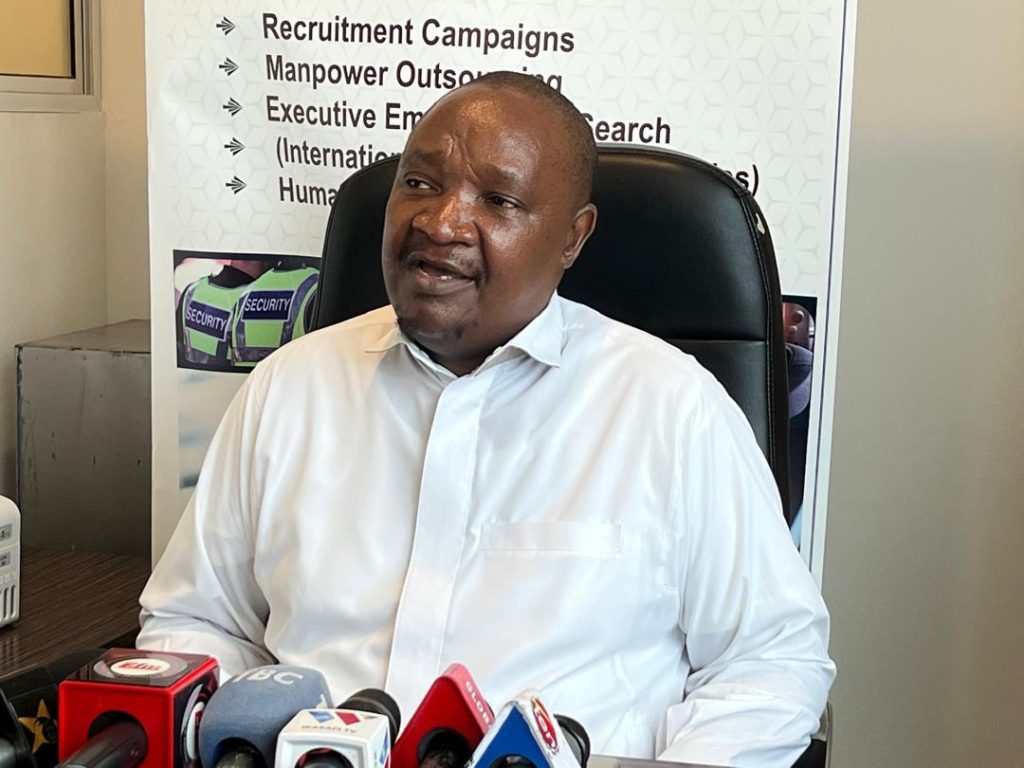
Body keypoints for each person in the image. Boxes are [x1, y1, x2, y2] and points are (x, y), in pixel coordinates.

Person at [139, 72, 834, 767]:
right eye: (419, 183)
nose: (441, 223)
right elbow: (195, 619)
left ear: (572, 238)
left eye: (497, 200)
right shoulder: (289, 387)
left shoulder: (671, 409)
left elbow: (769, 660)